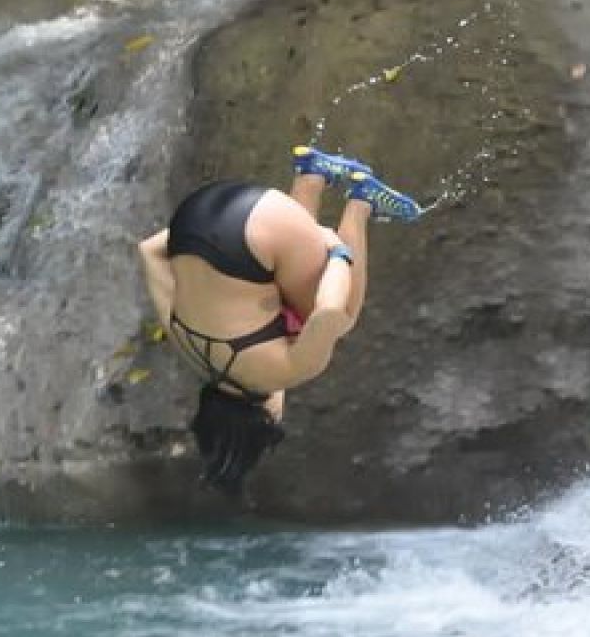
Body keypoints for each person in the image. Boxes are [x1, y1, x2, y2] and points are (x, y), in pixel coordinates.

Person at [136, 146, 423, 493]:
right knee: (290, 293)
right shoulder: (188, 350)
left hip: (260, 229)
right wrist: (216, 237)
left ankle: (362, 202)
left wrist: (338, 255)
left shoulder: (283, 372)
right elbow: (150, 250)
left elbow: (329, 313)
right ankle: (311, 173)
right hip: (201, 215)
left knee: (342, 319)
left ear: (266, 417)